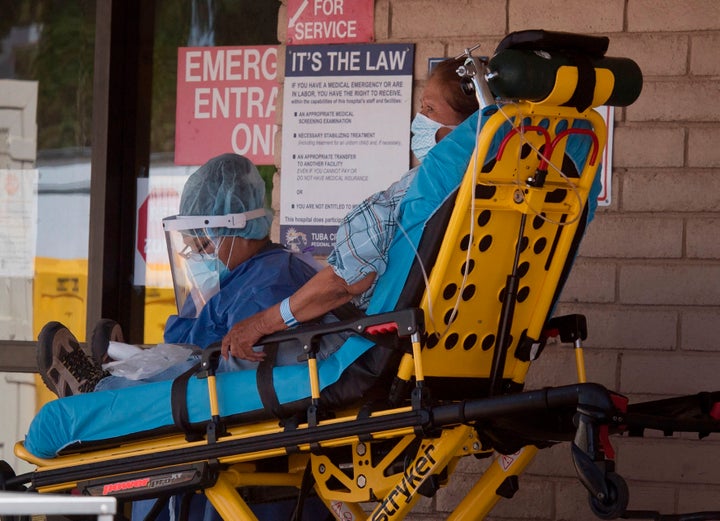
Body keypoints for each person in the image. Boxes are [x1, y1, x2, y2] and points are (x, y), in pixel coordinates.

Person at [36, 152, 335, 520]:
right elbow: (199, 335)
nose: (197, 256)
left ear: (240, 227)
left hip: (227, 408)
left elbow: (226, 367)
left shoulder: (265, 288)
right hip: (234, 396)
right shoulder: (264, 271)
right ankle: (115, 375)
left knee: (165, 393)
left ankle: (100, 391)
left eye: (205, 246)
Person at [221, 57, 479, 362]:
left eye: (430, 109)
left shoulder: (421, 192)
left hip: (355, 343)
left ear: (464, 128)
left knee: (218, 364)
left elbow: (344, 283)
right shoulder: (486, 192)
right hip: (444, 343)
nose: (419, 120)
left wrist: (260, 324)